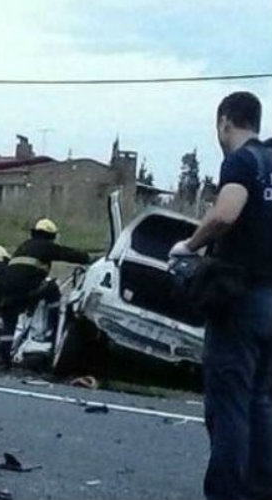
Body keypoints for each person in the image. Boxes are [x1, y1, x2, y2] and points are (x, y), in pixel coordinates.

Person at [169, 91, 272, 500]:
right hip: (271, 300)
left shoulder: (242, 161)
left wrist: (190, 246)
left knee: (229, 406)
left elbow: (225, 213)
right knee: (262, 404)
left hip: (240, 301)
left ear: (225, 122)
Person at [0, 219, 90, 342]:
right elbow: (67, 253)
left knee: (9, 328)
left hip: (7, 294)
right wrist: (89, 258)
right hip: (26, 290)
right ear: (51, 235)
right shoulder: (45, 245)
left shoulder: (23, 246)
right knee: (52, 288)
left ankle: (3, 356)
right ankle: (55, 328)